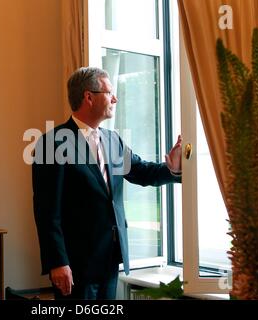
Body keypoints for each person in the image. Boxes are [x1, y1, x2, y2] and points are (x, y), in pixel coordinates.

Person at [32, 67, 182, 300]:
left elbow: (142, 173)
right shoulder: (52, 143)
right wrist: (58, 262)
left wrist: (172, 169)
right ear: (88, 97)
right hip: (75, 265)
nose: (115, 98)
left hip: (111, 258)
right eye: (109, 92)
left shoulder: (113, 140)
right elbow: (47, 211)